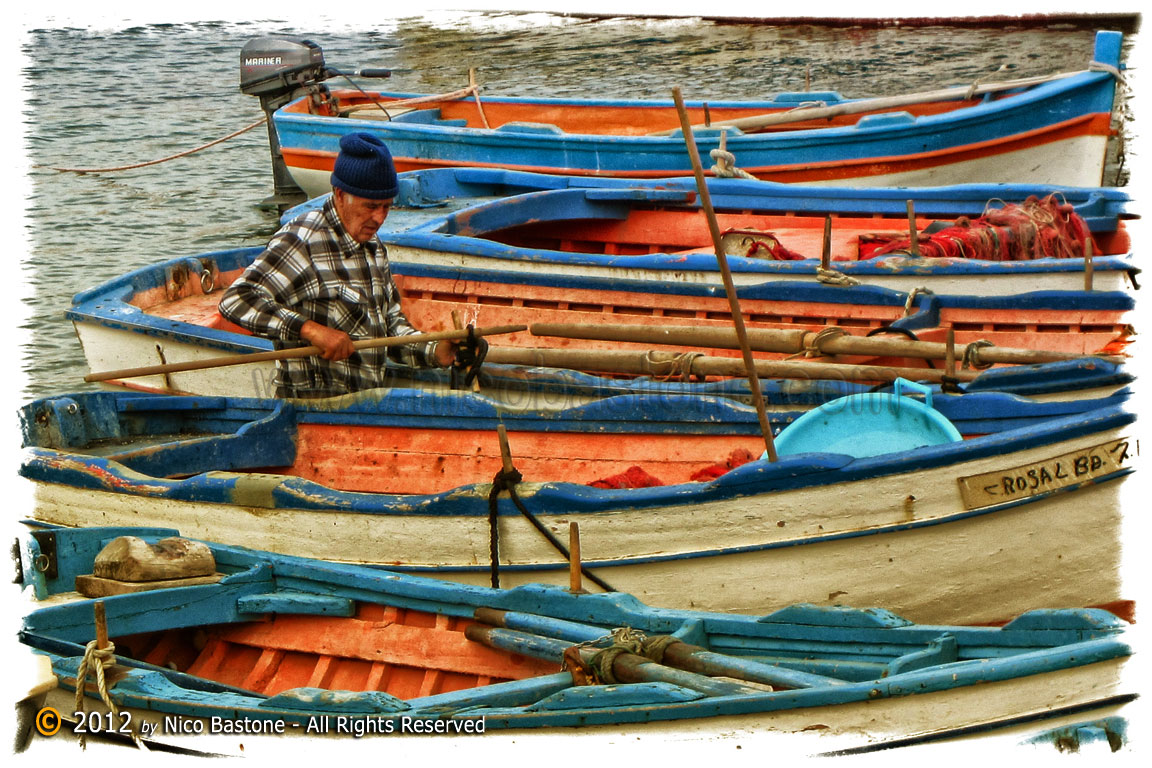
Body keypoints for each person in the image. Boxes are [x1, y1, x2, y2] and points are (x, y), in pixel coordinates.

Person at [219, 132, 456, 398]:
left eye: (387, 207)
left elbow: (390, 328)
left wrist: (435, 350)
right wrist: (310, 330)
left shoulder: (373, 246)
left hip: (364, 406)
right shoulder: (303, 241)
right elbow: (237, 300)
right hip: (312, 410)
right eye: (370, 206)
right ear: (341, 195)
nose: (379, 219)